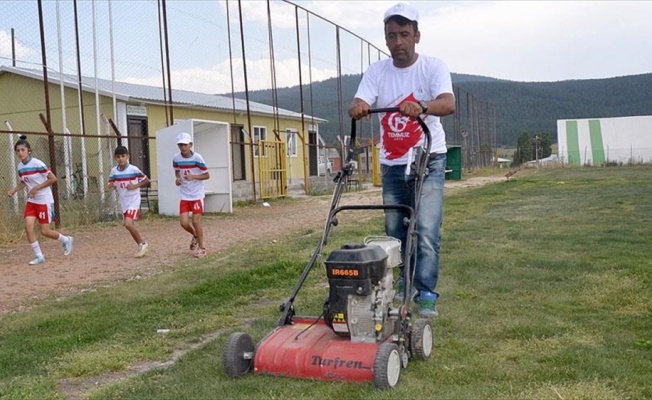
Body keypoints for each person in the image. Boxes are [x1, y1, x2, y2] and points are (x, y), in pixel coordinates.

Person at [348, 2, 455, 317]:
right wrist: (357, 106)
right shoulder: (377, 72)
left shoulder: (433, 67)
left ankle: (426, 293)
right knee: (394, 229)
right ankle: (395, 286)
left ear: (416, 36)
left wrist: (421, 106)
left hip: (428, 160)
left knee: (426, 228)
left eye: (404, 34)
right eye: (391, 35)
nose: (398, 42)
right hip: (393, 164)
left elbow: (447, 103)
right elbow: (361, 100)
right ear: (386, 39)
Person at [7, 135, 74, 265]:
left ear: (29, 151)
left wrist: (37, 188)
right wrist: (14, 190)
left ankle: (66, 239)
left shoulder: (37, 163)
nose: (20, 153)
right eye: (18, 151)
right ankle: (39, 256)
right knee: (28, 227)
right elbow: (24, 182)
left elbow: (53, 178)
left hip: (44, 200)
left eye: (22, 150)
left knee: (45, 231)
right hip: (32, 201)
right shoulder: (20, 167)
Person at [107, 146, 150, 258]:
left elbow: (146, 180)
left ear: (128, 157)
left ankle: (142, 243)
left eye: (123, 156)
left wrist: (135, 186)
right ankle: (141, 243)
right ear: (115, 158)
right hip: (124, 202)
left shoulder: (133, 169)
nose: (121, 159)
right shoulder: (114, 171)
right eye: (118, 157)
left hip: (134, 200)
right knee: (128, 225)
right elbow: (111, 183)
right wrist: (110, 186)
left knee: (128, 223)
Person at [173, 132, 210, 258]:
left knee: (195, 220)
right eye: (180, 145)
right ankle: (195, 235)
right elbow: (177, 171)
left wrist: (193, 176)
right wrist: (177, 179)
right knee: (183, 223)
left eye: (185, 144)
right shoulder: (176, 158)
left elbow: (207, 175)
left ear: (190, 145)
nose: (183, 147)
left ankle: (202, 247)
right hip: (185, 195)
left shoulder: (197, 158)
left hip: (196, 194)